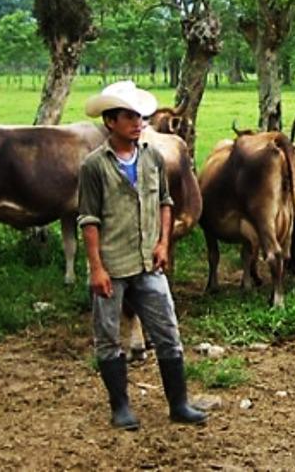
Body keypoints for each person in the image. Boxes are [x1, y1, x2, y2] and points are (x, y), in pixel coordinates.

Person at [78, 80, 206, 431]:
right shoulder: (94, 166)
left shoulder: (152, 157)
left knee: (167, 331)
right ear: (110, 122)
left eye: (140, 116)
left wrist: (164, 243)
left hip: (149, 263)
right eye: (129, 117)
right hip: (113, 264)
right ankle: (120, 408)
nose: (138, 123)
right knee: (108, 337)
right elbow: (88, 220)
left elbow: (165, 203)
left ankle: (179, 404)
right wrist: (96, 268)